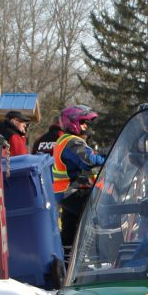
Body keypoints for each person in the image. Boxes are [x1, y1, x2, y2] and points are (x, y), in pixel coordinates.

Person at [52, 105, 105, 250]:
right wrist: (108, 157)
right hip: (71, 191)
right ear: (72, 122)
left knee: (70, 228)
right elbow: (88, 161)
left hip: (64, 192)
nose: (86, 126)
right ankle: (92, 253)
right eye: (83, 122)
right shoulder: (73, 142)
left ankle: (66, 259)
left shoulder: (63, 140)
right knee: (100, 211)